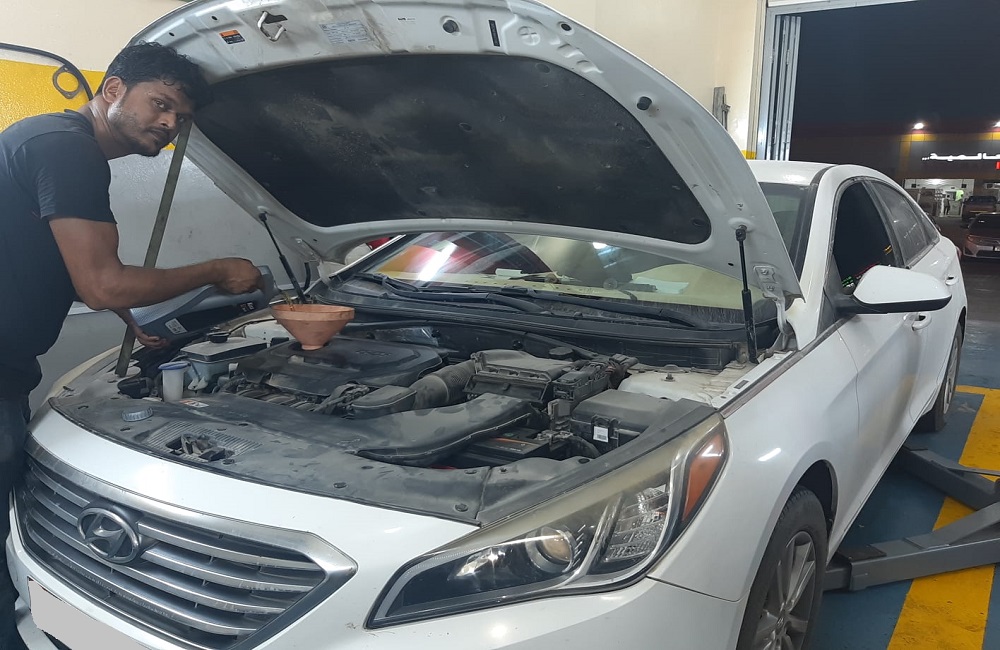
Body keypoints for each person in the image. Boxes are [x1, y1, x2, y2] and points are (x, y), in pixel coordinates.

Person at [0, 42, 262, 648]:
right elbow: (100, 281)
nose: (169, 124)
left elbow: (67, 262)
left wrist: (130, 314)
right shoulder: (69, 151)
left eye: (180, 117)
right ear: (113, 89)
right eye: (161, 104)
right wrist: (218, 269)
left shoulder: (47, 137)